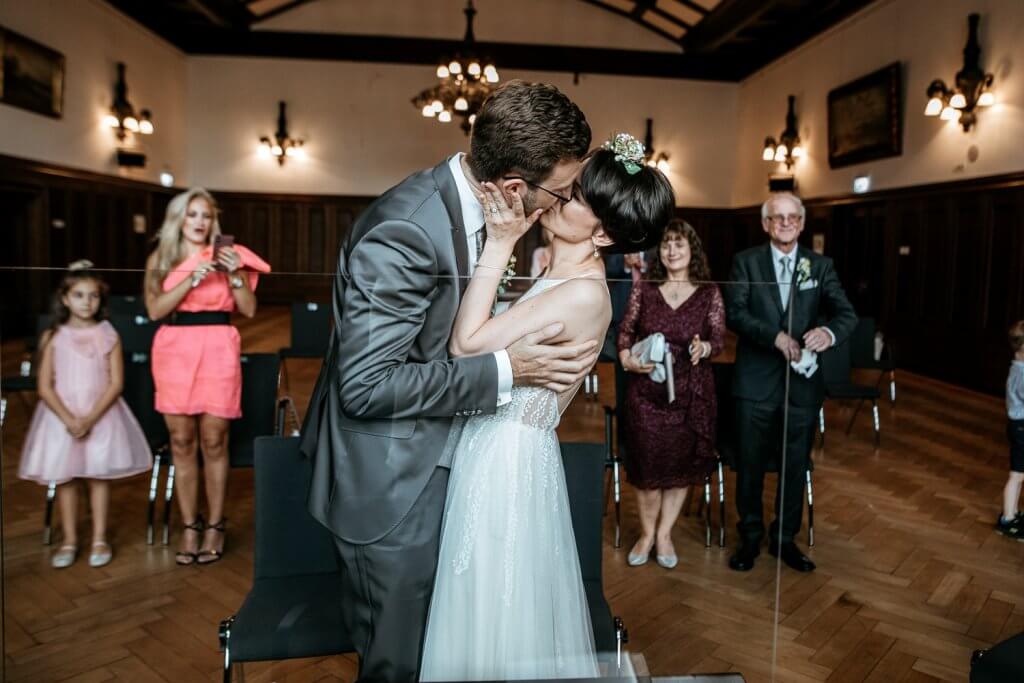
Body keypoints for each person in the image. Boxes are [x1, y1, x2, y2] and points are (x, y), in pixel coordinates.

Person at [299, 80, 601, 683]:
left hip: (449, 464)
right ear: (517, 188)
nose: (561, 204)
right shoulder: (405, 230)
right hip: (389, 484)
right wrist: (507, 369)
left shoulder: (486, 213)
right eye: (560, 192)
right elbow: (365, 387)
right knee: (399, 665)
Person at [420, 132, 674, 681]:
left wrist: (499, 242)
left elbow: (465, 346)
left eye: (578, 196)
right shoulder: (558, 274)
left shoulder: (583, 292)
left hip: (507, 459)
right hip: (494, 446)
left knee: (496, 604)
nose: (562, 195)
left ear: (603, 233)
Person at [725, 192, 856, 573]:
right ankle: (749, 538)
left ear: (801, 222)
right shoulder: (746, 262)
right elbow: (736, 313)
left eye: (792, 217)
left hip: (802, 386)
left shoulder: (821, 265)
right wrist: (774, 337)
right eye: (777, 217)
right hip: (755, 384)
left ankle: (784, 539)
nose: (785, 223)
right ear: (765, 224)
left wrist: (828, 334)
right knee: (749, 465)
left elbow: (845, 313)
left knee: (795, 465)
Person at [144, 188, 270, 566]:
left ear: (214, 222)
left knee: (214, 441)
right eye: (192, 214)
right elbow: (154, 310)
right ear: (178, 219)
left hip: (218, 347)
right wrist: (191, 280)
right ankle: (189, 524)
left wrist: (233, 275)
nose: (199, 222)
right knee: (181, 441)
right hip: (174, 350)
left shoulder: (232, 257)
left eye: (206, 216)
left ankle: (215, 523)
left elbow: (248, 309)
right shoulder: (161, 258)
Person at [19, 261, 152, 568]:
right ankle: (69, 540)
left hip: (101, 415)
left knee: (97, 475)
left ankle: (100, 538)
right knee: (66, 478)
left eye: (93, 296)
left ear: (100, 300)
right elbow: (44, 385)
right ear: (65, 298)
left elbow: (116, 382)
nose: (86, 302)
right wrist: (69, 419)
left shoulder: (108, 334)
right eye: (79, 295)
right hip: (60, 418)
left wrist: (91, 418)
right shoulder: (53, 336)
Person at [617, 220, 725, 569]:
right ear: (658, 252)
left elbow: (719, 340)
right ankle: (646, 533)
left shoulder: (709, 292)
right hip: (646, 394)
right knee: (647, 468)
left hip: (691, 394)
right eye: (666, 245)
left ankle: (665, 533)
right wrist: (627, 360)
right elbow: (625, 333)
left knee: (680, 468)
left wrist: (704, 348)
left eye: (679, 244)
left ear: (692, 249)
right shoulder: (644, 289)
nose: (672, 251)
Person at [996, 320, 1024, 538]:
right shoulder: (1021, 375)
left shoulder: (1016, 369)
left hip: (1018, 427)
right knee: (1016, 475)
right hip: (1021, 428)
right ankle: (1007, 519)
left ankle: (1013, 513)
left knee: (1019, 475)